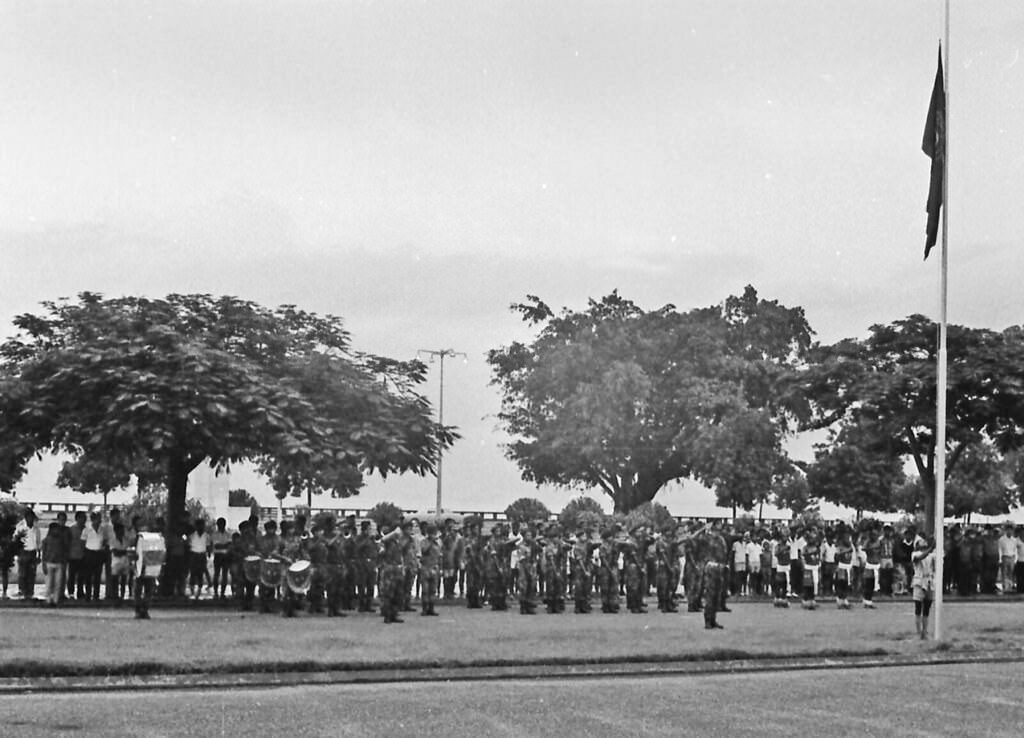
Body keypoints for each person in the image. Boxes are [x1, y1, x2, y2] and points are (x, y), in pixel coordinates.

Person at [134, 522, 165, 620]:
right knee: (147, 590)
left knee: (141, 590)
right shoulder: (157, 540)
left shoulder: (140, 539)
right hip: (150, 568)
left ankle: (141, 610)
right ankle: (143, 610)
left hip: (143, 568)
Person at [911, 534, 936, 640]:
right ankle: (918, 631)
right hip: (919, 581)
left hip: (929, 581)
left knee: (927, 608)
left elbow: (934, 566)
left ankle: (925, 631)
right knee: (918, 607)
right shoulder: (914, 554)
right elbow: (919, 558)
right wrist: (930, 549)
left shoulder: (931, 555)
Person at [15, 508, 43, 600]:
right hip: (23, 552)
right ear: (26, 517)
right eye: (29, 517)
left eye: (32, 517)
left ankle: (30, 593)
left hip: (32, 552)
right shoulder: (21, 528)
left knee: (31, 574)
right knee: (22, 573)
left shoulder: (36, 529)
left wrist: (39, 555)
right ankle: (22, 591)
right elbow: (16, 541)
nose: (31, 519)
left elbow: (38, 543)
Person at [41, 521, 69, 607]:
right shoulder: (46, 540)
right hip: (49, 563)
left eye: (57, 529)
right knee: (49, 583)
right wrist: (43, 564)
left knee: (58, 583)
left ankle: (56, 600)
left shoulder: (61, 540)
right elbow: (44, 553)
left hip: (59, 563)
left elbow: (65, 551)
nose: (56, 531)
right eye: (54, 529)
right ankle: (48, 600)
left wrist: (64, 562)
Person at [419, 522, 442, 616]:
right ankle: (425, 608)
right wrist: (431, 542)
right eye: (432, 532)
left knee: (433, 590)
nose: (434, 534)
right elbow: (423, 551)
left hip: (434, 567)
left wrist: (440, 567)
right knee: (425, 590)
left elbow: (439, 555)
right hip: (425, 568)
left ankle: (431, 608)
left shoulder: (438, 542)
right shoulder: (423, 541)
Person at [211, 518, 232, 599]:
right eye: (219, 524)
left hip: (226, 556)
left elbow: (229, 545)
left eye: (222, 523)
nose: (221, 525)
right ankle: (216, 592)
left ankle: (222, 593)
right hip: (218, 555)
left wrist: (222, 545)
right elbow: (216, 546)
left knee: (225, 575)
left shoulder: (228, 534)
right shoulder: (214, 534)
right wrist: (225, 545)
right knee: (216, 574)